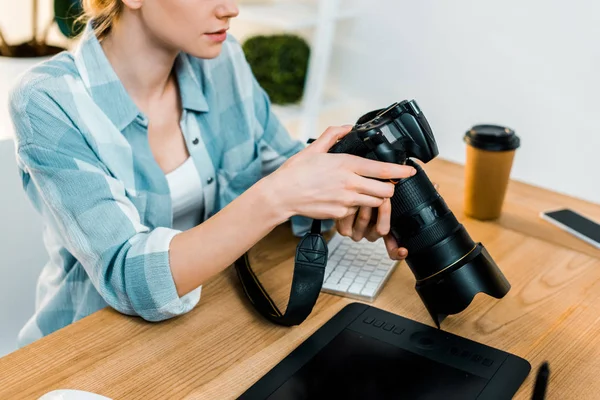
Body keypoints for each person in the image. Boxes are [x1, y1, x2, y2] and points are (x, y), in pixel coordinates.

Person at [8, 0, 415, 348]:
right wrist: (279, 196)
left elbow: (275, 163)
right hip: (87, 349)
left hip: (208, 320)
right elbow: (128, 276)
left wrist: (345, 194)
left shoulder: (224, 61)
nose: (231, 8)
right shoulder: (47, 100)